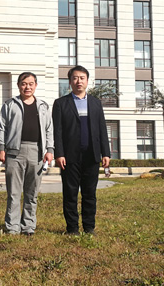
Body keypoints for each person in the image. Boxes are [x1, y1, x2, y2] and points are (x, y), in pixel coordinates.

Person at [52, 66, 110, 235]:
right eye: (75, 78)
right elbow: (58, 131)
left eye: (82, 78)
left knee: (89, 194)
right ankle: (72, 228)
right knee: (70, 194)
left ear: (87, 81)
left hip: (91, 156)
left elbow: (102, 129)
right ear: (70, 82)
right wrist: (59, 153)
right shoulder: (61, 103)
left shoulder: (95, 103)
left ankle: (89, 227)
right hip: (69, 157)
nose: (79, 81)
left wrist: (105, 153)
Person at [0, 72, 54, 235]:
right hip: (14, 152)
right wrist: (2, 148)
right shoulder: (10, 104)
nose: (27, 87)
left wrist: (50, 150)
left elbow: (49, 129)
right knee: (14, 193)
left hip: (36, 152)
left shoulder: (43, 106)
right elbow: (2, 127)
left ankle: (28, 226)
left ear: (35, 85)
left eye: (30, 83)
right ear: (18, 85)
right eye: (24, 83)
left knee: (32, 192)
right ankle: (12, 227)